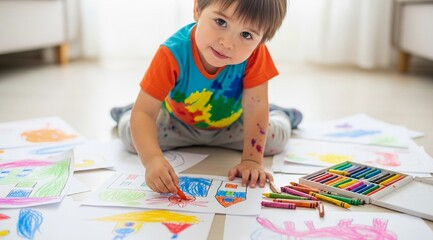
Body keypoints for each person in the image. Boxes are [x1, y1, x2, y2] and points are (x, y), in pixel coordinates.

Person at [111, 0, 302, 195]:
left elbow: (255, 107)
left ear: (261, 40)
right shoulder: (171, 53)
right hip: (176, 122)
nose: (227, 43)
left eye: (246, 35)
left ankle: (281, 114)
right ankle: (129, 109)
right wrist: (152, 160)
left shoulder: (255, 55)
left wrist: (252, 161)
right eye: (221, 22)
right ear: (197, 9)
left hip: (232, 124)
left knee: (273, 142)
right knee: (132, 136)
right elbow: (144, 113)